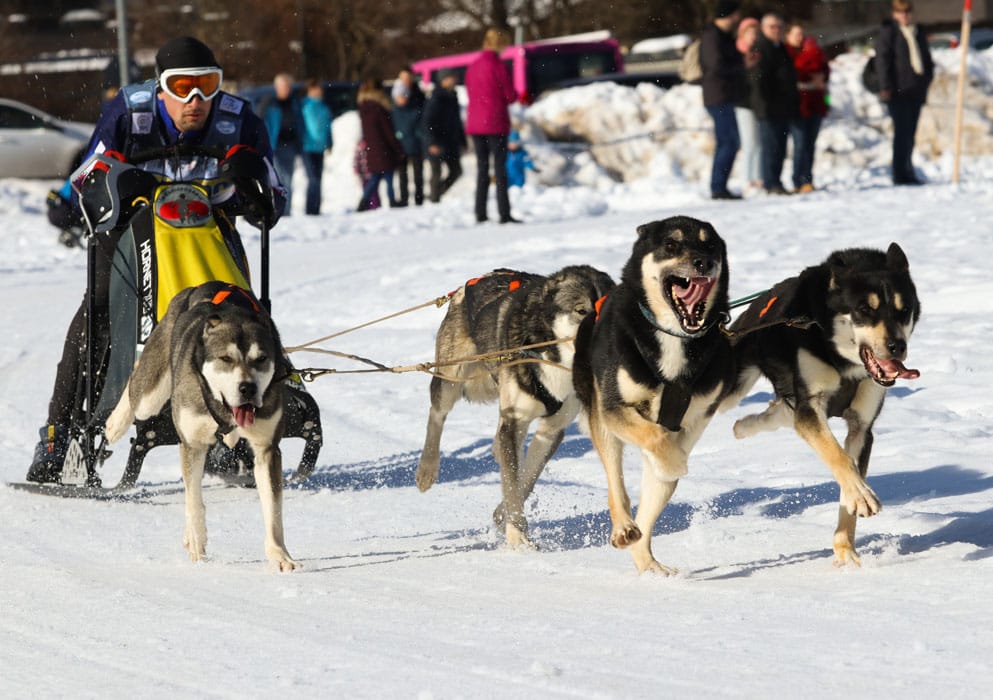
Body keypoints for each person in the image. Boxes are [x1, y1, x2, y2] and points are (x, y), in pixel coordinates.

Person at [27, 36, 286, 483]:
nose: (196, 99)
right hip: (133, 231)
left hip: (209, 230)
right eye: (183, 86)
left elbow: (274, 199)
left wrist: (251, 182)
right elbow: (86, 176)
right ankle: (59, 432)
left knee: (243, 316)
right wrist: (112, 183)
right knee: (101, 311)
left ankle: (243, 423)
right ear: (160, 87)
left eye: (208, 85)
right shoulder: (129, 112)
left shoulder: (238, 119)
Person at [875, 0, 934, 186]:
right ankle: (899, 173)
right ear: (894, 13)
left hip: (915, 90)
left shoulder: (918, 32)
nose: (905, 15)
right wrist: (885, 86)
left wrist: (926, 79)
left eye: (907, 11)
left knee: (910, 133)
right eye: (900, 12)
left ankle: (908, 170)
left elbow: (926, 59)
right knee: (902, 133)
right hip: (897, 92)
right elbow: (882, 61)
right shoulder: (889, 32)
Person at [464, 27, 519, 224]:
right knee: (500, 169)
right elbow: (509, 96)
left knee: (482, 168)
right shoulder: (498, 65)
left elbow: (471, 93)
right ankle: (504, 213)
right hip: (495, 122)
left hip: (475, 123)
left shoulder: (473, 66)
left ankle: (480, 212)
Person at [748, 12, 799, 195]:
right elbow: (758, 82)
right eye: (772, 26)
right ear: (763, 28)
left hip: (782, 107)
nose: (776, 30)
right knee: (771, 148)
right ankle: (771, 183)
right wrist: (763, 107)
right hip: (768, 108)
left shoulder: (780, 47)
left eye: (779, 26)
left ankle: (775, 181)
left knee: (780, 148)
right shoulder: (760, 48)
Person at [699, 0, 745, 200]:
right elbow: (715, 66)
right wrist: (741, 66)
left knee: (729, 141)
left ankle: (720, 186)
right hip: (718, 95)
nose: (738, 19)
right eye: (735, 14)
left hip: (724, 94)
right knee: (728, 142)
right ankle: (718, 187)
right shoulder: (712, 37)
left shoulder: (721, 36)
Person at [785, 21, 829, 194]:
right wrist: (811, 78)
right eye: (796, 34)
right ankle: (798, 179)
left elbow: (824, 69)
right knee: (800, 143)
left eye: (802, 34)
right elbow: (792, 73)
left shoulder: (814, 51)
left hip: (816, 103)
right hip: (798, 105)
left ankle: (807, 179)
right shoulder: (786, 53)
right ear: (788, 36)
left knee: (810, 143)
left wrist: (821, 78)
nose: (800, 38)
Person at [356, 79, 405, 211]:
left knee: (375, 178)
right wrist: (397, 148)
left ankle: (364, 201)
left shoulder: (364, 108)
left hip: (372, 149)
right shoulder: (379, 108)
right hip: (384, 148)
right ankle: (392, 201)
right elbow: (388, 131)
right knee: (388, 177)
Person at [422, 69, 466, 203]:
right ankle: (434, 200)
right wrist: (432, 142)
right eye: (452, 77)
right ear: (444, 80)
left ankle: (437, 193)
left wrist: (462, 141)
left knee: (456, 171)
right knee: (437, 172)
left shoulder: (453, 96)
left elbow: (457, 122)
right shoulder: (436, 97)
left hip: (451, 141)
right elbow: (427, 122)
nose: (455, 80)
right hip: (437, 141)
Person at [263, 72, 304, 214]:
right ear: (276, 87)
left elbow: (300, 123)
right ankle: (274, 209)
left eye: (288, 86)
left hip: (290, 145)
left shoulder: (295, 103)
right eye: (283, 86)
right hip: (274, 146)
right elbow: (263, 125)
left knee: (288, 180)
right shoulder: (270, 104)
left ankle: (286, 211)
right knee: (275, 179)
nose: (286, 89)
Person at [390, 68, 427, 206]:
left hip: (415, 143)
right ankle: (404, 198)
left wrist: (419, 135)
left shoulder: (416, 104)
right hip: (401, 145)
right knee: (402, 174)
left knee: (418, 173)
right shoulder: (393, 111)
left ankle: (419, 197)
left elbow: (421, 123)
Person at [734, 16, 762, 193]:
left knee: (759, 142)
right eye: (750, 33)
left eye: (756, 33)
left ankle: (758, 177)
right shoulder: (736, 52)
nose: (753, 36)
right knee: (749, 142)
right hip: (743, 102)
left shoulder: (759, 52)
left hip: (758, 102)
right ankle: (747, 179)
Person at [300, 78, 333, 215]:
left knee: (318, 179)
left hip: (319, 148)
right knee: (313, 178)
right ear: (310, 90)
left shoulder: (323, 106)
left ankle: (316, 209)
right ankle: (310, 209)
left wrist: (330, 142)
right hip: (307, 146)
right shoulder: (304, 105)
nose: (319, 91)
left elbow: (328, 126)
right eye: (316, 88)